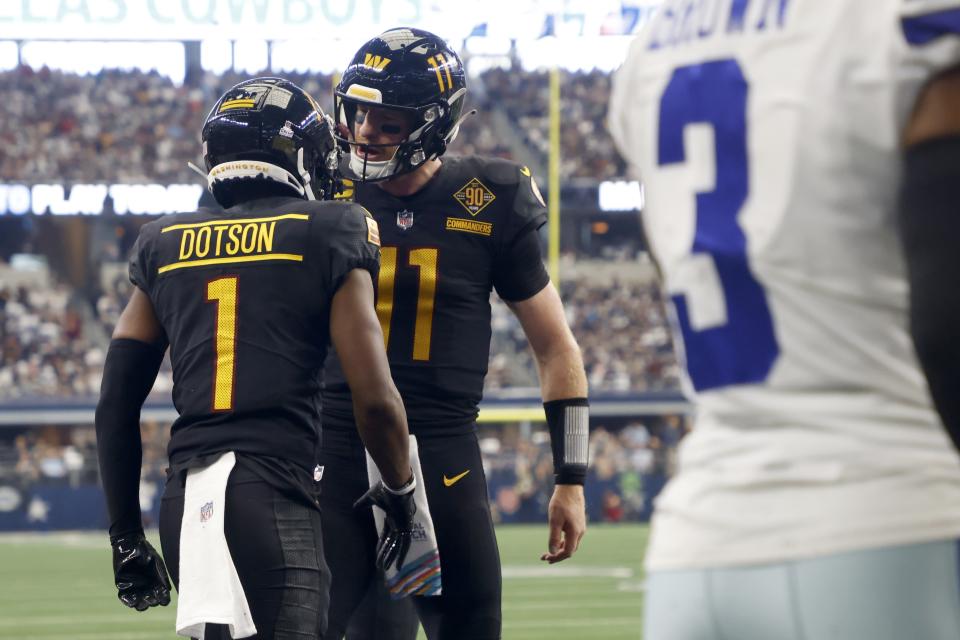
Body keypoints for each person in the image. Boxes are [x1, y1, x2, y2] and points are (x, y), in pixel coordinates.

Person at [609, 1, 960, 638]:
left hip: (696, 544)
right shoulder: (904, 19)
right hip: (890, 515)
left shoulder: (656, 40)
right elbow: (948, 321)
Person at [95, 77, 416, 640]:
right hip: (270, 492)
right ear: (302, 158)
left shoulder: (164, 243)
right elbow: (376, 401)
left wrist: (125, 534)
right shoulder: (330, 229)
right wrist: (401, 494)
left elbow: (114, 406)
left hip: (185, 500)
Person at [319, 28, 590, 640]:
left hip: (441, 450)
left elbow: (556, 349)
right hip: (336, 447)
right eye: (360, 113)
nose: (365, 132)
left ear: (434, 124)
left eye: (388, 122)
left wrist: (571, 479)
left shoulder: (489, 196)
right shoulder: (323, 188)